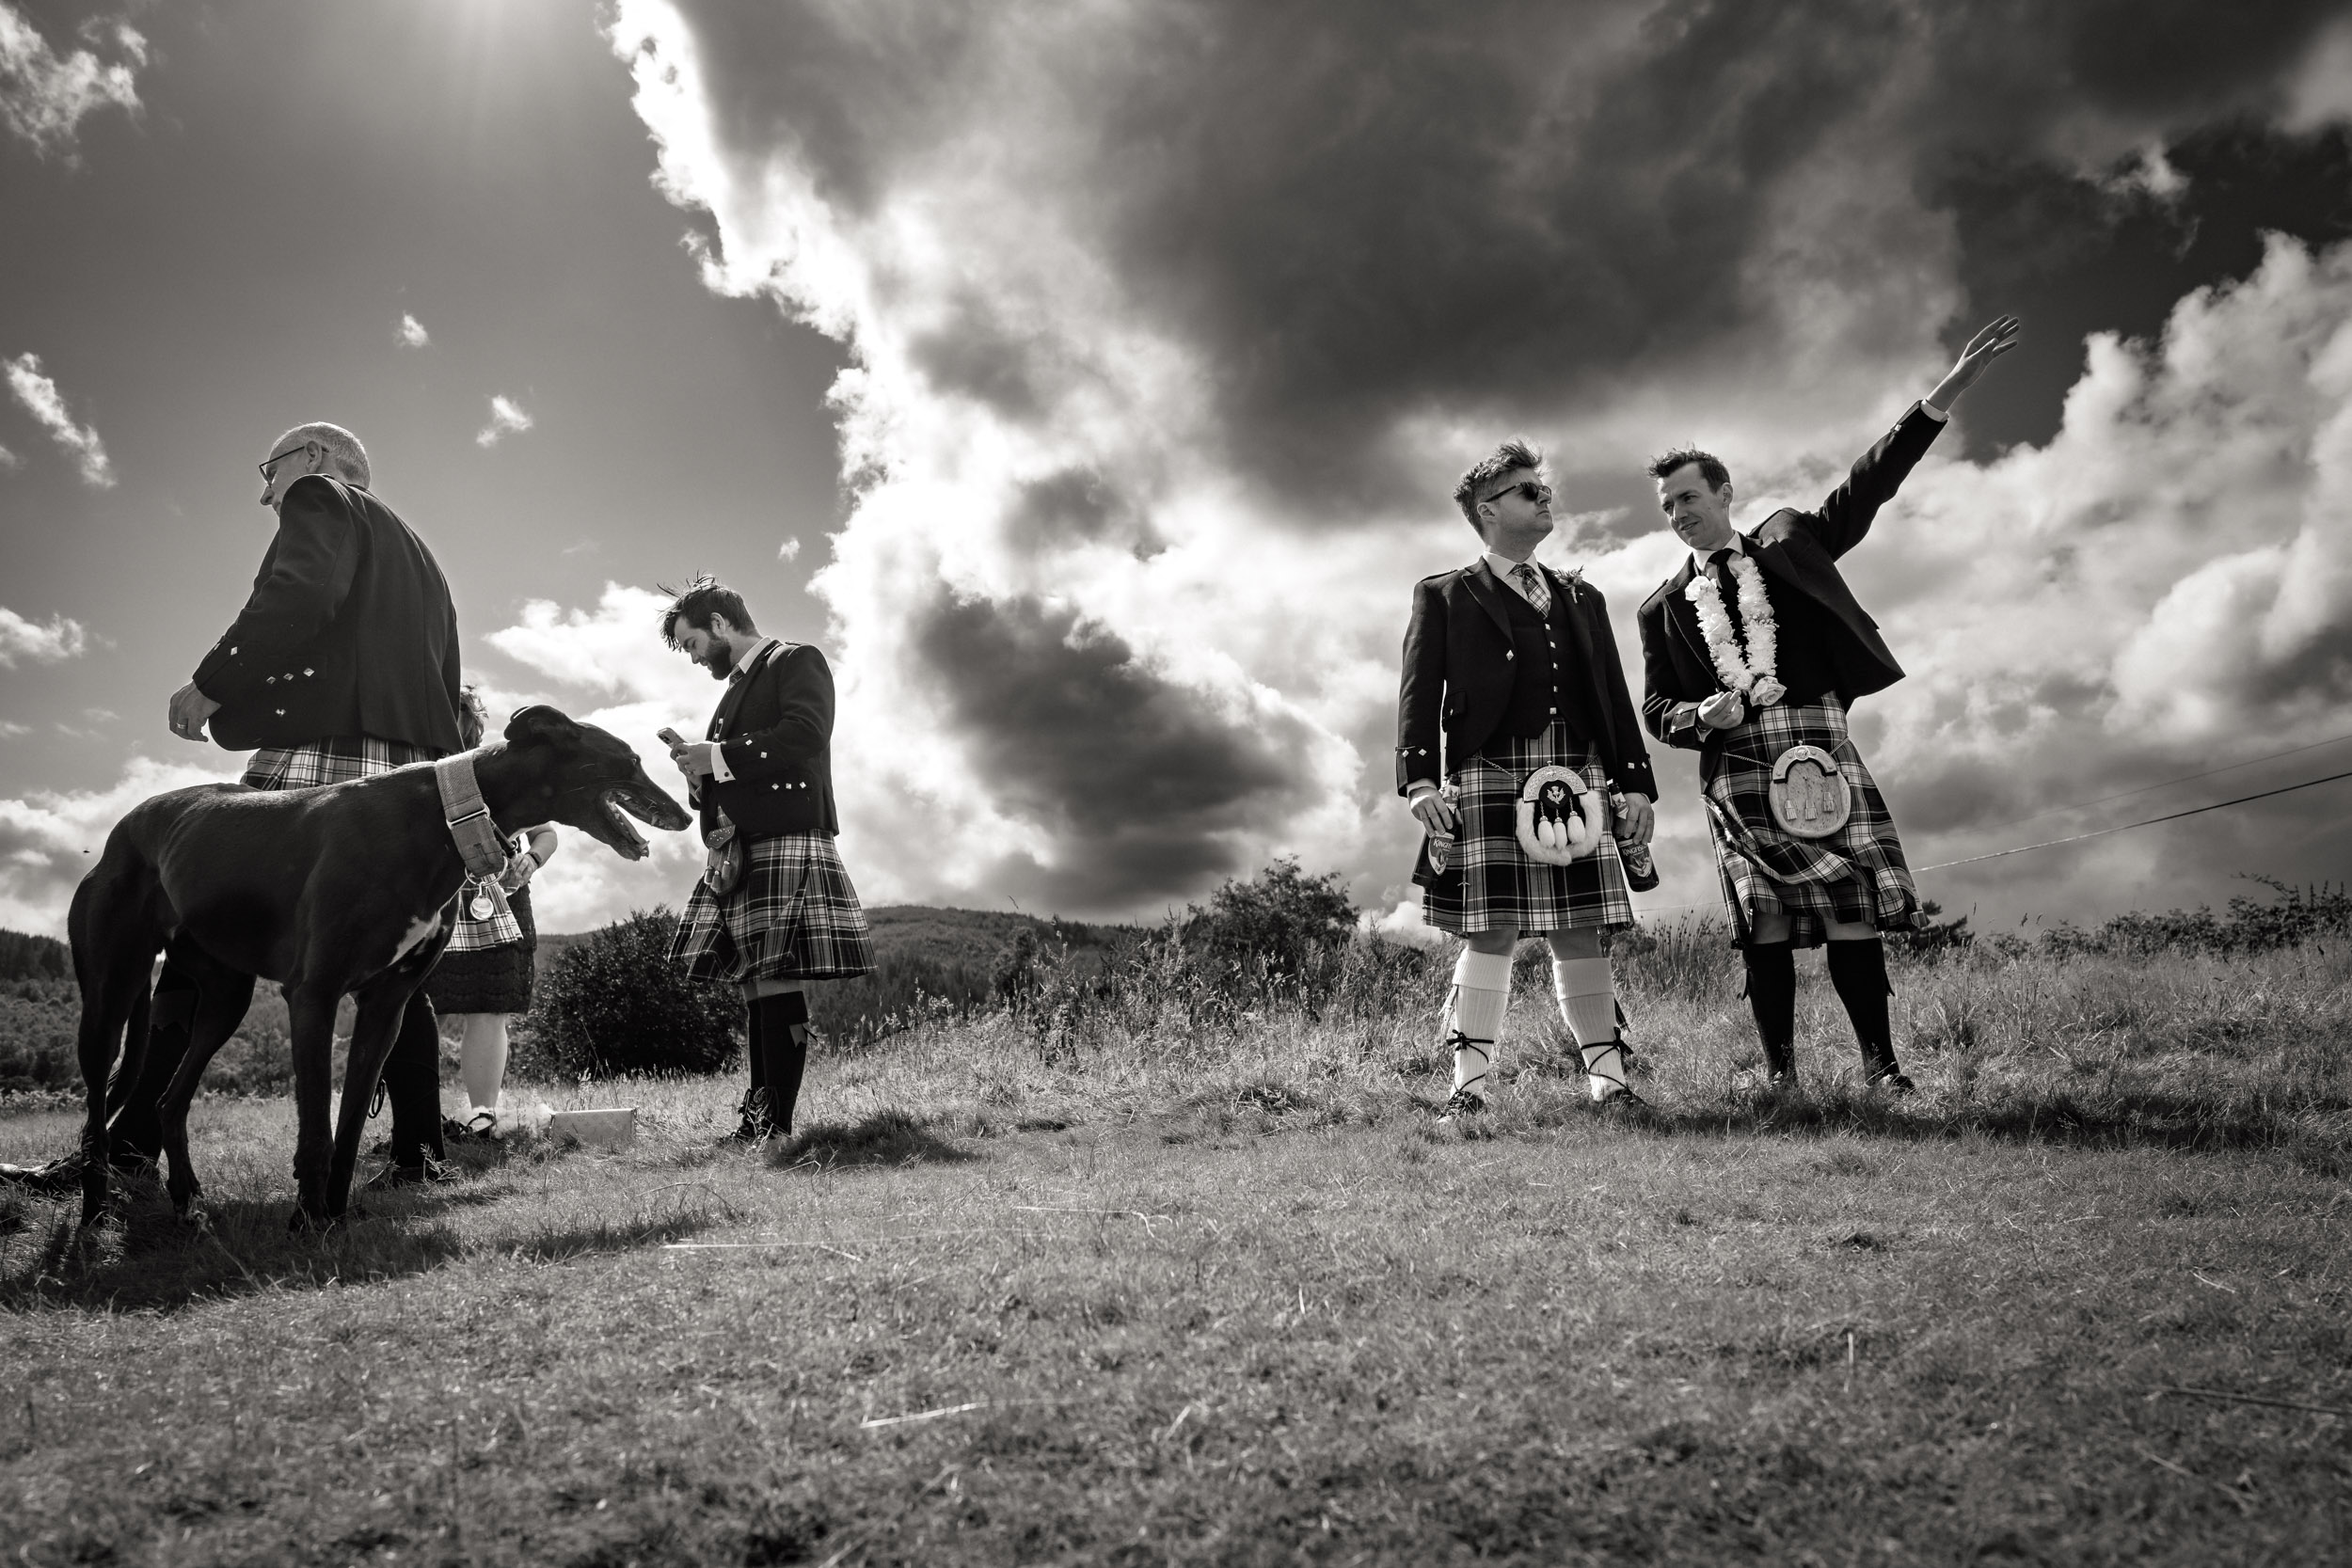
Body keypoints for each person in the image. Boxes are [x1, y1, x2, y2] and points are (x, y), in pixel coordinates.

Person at [0, 422, 467, 1199]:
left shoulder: (323, 497)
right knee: (396, 958)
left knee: (203, 927)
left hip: (328, 768)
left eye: (270, 471)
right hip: (413, 777)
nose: (265, 492)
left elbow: (300, 593)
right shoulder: (421, 555)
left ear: (313, 460)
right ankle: (419, 1151)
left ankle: (123, 1154)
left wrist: (213, 681)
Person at [1635, 317, 2021, 1092]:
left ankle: (1884, 1071)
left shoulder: (1790, 541)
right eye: (1667, 505)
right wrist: (1696, 718)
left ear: (1724, 493)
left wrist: (1941, 398)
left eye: (1688, 497)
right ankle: (1782, 1080)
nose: (1678, 513)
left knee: (1851, 905)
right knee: (1766, 921)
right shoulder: (1662, 607)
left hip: (1816, 739)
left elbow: (1869, 481)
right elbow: (1654, 707)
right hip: (1737, 761)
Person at [1398, 440, 1660, 1118]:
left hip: (1577, 774)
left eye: (1543, 487)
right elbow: (1418, 694)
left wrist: (1635, 785)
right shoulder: (1445, 594)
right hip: (1487, 771)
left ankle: (1609, 1080)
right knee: (1492, 930)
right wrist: (1421, 782)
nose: (1544, 497)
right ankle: (1469, 1087)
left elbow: (1612, 695)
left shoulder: (1583, 596)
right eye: (1526, 490)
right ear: (1488, 511)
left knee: (1582, 928)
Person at [659, 576, 873, 1144]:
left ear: (721, 624)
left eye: (694, 644)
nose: (694, 657)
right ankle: (760, 1121)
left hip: (782, 836)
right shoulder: (734, 690)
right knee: (756, 983)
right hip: (742, 846)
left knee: (773, 977)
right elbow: (735, 769)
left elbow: (805, 734)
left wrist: (718, 757)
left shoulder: (795, 660)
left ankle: (773, 1124)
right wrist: (701, 779)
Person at [423, 687, 558, 1136]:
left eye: (467, 731)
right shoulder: (413, 773)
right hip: (431, 899)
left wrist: (532, 859)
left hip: (501, 896)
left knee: (491, 1007)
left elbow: (545, 833)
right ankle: (421, 1118)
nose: (461, 739)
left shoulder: (498, 772)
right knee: (413, 1005)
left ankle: (482, 1114)